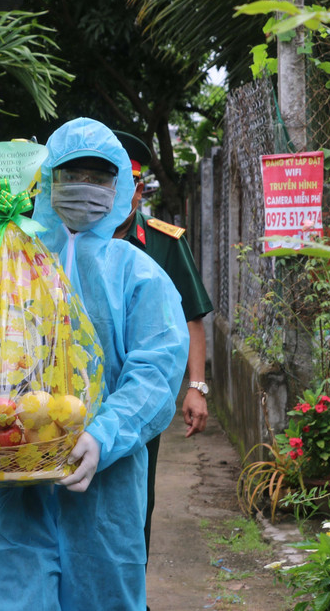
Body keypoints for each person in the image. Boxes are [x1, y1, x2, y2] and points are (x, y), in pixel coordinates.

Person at [0, 117, 190, 610]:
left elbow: (156, 373)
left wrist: (104, 435)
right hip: (10, 484)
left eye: (99, 178)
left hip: (105, 490)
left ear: (121, 186)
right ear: (48, 183)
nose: (85, 188)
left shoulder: (138, 274)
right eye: (71, 175)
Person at [111, 130, 213, 567]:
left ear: (137, 189)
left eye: (123, 184)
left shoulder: (164, 243)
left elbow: (191, 317)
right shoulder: (62, 241)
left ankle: (131, 591)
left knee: (137, 495)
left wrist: (197, 387)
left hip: (142, 392)